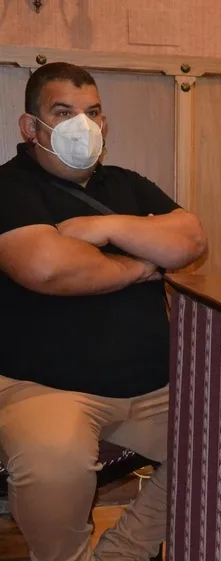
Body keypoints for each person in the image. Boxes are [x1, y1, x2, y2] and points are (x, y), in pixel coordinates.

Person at [0, 62, 207, 560]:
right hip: (43, 387)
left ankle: (121, 553)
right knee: (52, 463)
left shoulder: (126, 184)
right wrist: (141, 263)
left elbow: (190, 239)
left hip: (152, 387)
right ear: (31, 126)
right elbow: (47, 267)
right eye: (63, 112)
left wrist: (106, 227)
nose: (82, 125)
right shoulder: (10, 187)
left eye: (92, 112)